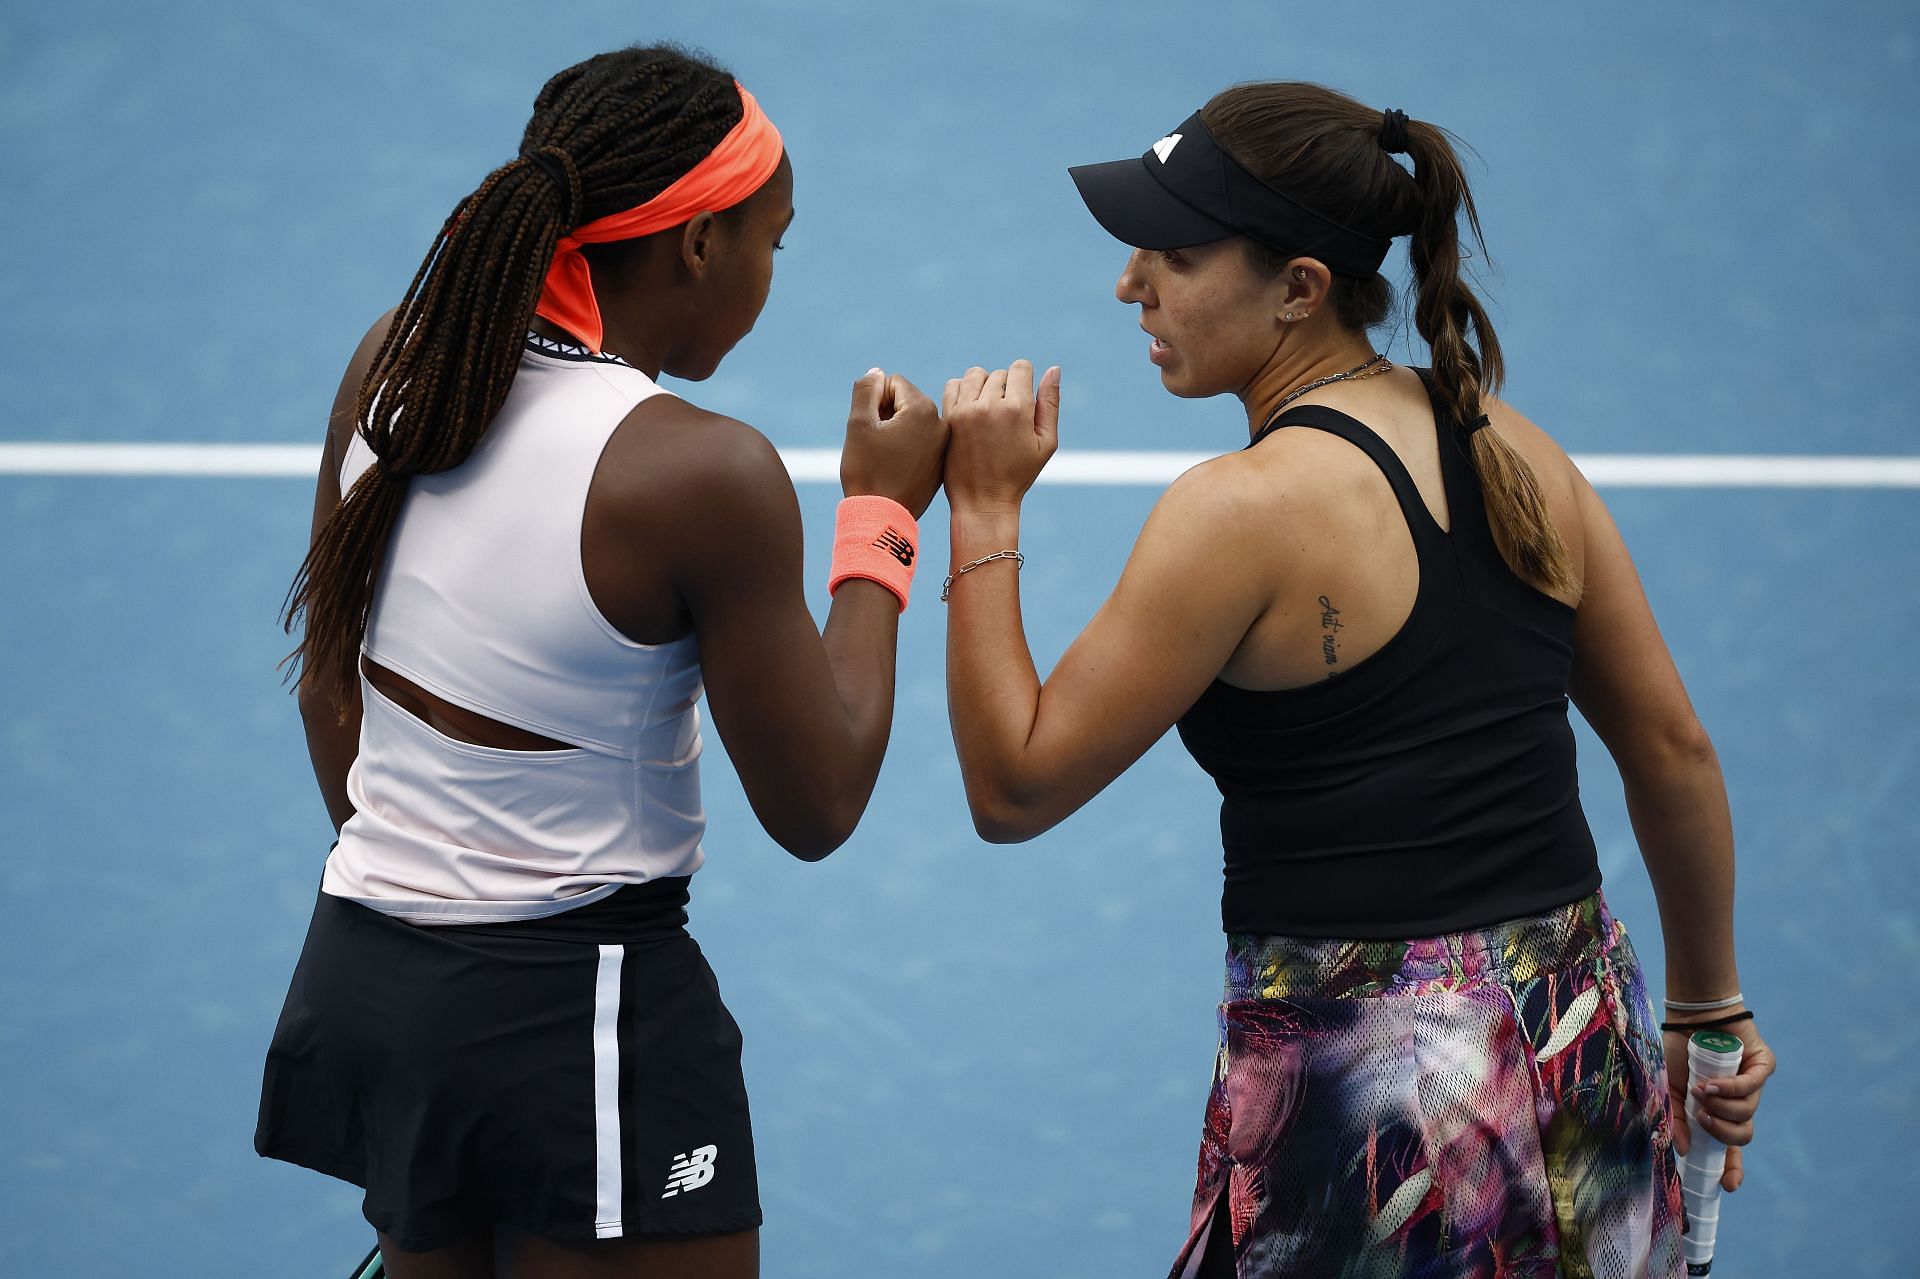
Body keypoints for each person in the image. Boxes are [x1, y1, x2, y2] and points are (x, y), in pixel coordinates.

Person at [938, 83, 1775, 1278]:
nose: (1132, 285)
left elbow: (1013, 786)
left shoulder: (1236, 513)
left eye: (1175, 255)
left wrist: (983, 506)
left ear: (1300, 289)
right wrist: (1708, 1008)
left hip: (1380, 1117)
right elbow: (1673, 746)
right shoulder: (1514, 443)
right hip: (1577, 1048)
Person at [255, 45, 946, 1279]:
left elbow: (328, 683)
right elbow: (819, 798)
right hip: (577, 1014)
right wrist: (881, 521)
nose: (770, 275)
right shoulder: (698, 473)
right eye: (772, 242)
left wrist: (439, 901)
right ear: (696, 245)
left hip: (369, 970)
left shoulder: (395, 362)